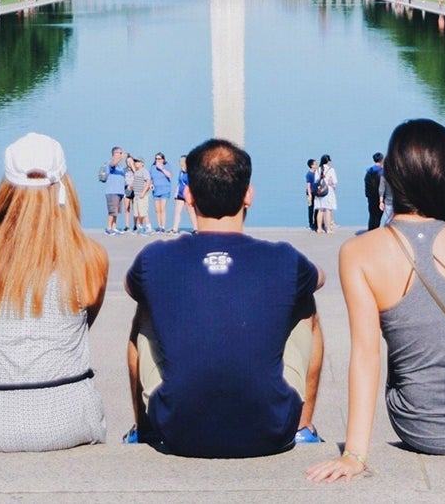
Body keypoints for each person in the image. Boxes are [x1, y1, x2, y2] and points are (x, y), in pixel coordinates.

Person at [307, 119, 445, 481]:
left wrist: (354, 454)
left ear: (392, 177)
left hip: (423, 426)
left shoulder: (359, 253)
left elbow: (366, 355)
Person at [125, 138, 325, 457]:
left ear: (188, 197)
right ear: (248, 196)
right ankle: (303, 428)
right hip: (270, 429)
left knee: (145, 306)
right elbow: (320, 278)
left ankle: (143, 429)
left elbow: (130, 287)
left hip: (177, 429)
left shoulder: (155, 258)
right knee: (305, 303)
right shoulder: (285, 258)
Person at [0, 133, 108, 451]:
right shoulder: (91, 255)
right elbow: (83, 324)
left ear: (6, 187)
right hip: (69, 417)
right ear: (64, 186)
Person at [101, 147, 127, 235]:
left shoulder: (119, 167)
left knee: (116, 211)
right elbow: (112, 164)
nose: (121, 154)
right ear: (114, 154)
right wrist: (121, 157)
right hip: (112, 191)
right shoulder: (111, 162)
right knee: (112, 211)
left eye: (121, 152)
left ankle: (114, 227)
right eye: (119, 152)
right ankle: (108, 227)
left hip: (119, 192)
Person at [313, 154, 338, 233]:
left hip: (319, 191)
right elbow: (334, 181)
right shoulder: (331, 170)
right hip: (328, 191)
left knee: (320, 210)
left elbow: (316, 181)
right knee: (328, 210)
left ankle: (319, 228)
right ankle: (328, 229)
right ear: (328, 161)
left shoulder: (317, 170)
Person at [127, 157, 153, 235]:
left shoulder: (144, 171)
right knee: (137, 213)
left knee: (144, 212)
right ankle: (140, 228)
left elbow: (148, 182)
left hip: (142, 196)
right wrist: (130, 186)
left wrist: (143, 193)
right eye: (135, 161)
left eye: (138, 161)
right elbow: (135, 181)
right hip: (136, 195)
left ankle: (148, 228)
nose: (136, 163)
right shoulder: (137, 172)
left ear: (142, 163)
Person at [149, 153, 174, 232]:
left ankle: (163, 226)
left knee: (162, 208)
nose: (157, 160)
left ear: (163, 159)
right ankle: (159, 226)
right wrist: (151, 184)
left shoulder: (167, 166)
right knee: (157, 209)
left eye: (159, 159)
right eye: (156, 158)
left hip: (165, 189)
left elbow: (169, 175)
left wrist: (162, 169)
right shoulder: (152, 167)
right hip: (156, 190)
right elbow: (150, 178)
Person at [169, 154, 191, 234]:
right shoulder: (181, 171)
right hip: (180, 194)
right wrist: (176, 192)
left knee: (190, 212)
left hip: (187, 194)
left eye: (181, 160)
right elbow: (179, 182)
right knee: (177, 211)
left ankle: (196, 229)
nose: (179, 162)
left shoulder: (189, 172)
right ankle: (175, 229)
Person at [364, 153, 385, 232]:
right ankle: (375, 233)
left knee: (372, 216)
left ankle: (371, 232)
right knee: (379, 216)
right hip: (380, 197)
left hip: (371, 198)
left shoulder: (369, 172)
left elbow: (367, 185)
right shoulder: (382, 172)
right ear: (381, 159)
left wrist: (368, 195)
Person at [304, 158, 319, 230]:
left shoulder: (317, 173)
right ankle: (311, 224)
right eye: (315, 164)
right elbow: (308, 185)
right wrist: (309, 195)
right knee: (311, 208)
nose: (317, 165)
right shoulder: (309, 174)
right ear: (312, 166)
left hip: (316, 192)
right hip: (310, 192)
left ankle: (316, 223)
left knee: (317, 208)